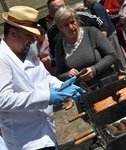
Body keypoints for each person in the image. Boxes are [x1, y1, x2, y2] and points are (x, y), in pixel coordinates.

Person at [0, 5, 86, 150]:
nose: (33, 40)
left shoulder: (28, 53)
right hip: (27, 141)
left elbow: (45, 77)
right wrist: (46, 97)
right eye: (29, 35)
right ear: (13, 34)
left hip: (47, 132)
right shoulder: (2, 58)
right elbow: (3, 98)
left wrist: (63, 86)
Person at [54, 5, 117, 89]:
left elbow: (112, 55)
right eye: (66, 25)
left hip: (108, 85)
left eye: (72, 22)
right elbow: (59, 74)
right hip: (85, 94)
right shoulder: (59, 47)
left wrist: (94, 70)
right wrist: (67, 74)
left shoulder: (92, 33)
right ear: (60, 28)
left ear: (77, 20)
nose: (71, 27)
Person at [83, 0, 126, 75]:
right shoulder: (95, 7)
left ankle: (124, 71)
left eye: (85, 2)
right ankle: (120, 71)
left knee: (116, 52)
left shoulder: (96, 8)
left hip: (109, 33)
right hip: (108, 32)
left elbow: (102, 22)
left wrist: (103, 37)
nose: (84, 4)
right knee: (114, 52)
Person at [99, 0, 126, 65]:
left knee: (122, 41)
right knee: (116, 45)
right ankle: (123, 60)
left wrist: (109, 11)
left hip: (116, 24)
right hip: (109, 26)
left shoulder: (111, 0)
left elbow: (118, 9)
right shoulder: (100, 4)